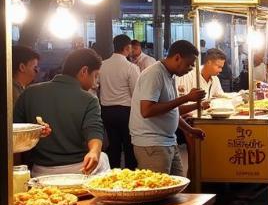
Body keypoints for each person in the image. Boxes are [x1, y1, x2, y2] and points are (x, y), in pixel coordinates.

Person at [14, 48, 110, 177]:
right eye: (95, 76)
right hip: (81, 169)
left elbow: (15, 133)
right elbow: (94, 130)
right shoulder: (89, 99)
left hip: (39, 171)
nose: (96, 83)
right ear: (84, 71)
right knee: (103, 157)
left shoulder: (29, 93)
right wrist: (94, 152)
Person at [128, 40, 207, 176]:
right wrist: (187, 98)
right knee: (157, 190)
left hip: (167, 140)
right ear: (177, 58)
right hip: (152, 144)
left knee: (177, 186)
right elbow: (146, 110)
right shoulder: (154, 74)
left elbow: (172, 111)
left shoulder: (170, 76)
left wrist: (190, 130)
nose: (191, 68)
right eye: (189, 64)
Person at [98, 34, 140, 170]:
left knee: (113, 146)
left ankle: (113, 175)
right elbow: (136, 93)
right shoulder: (131, 67)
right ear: (127, 48)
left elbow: (95, 86)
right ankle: (130, 177)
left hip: (107, 111)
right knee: (129, 146)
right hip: (125, 112)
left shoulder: (102, 65)